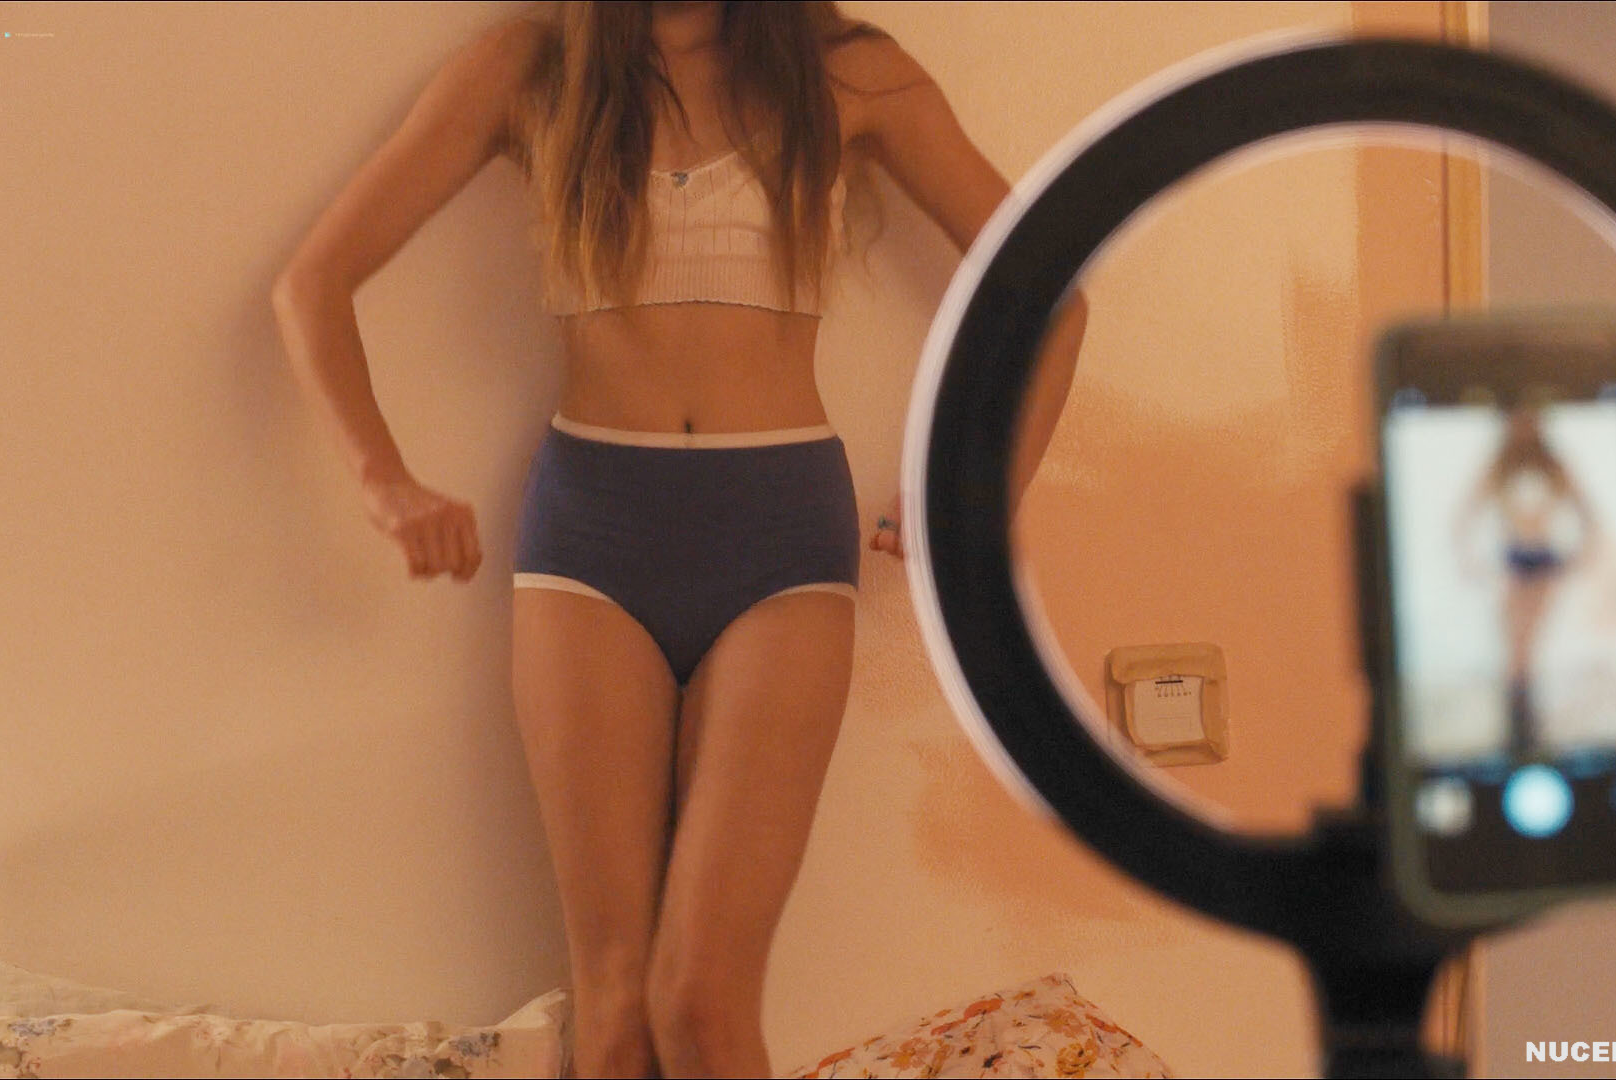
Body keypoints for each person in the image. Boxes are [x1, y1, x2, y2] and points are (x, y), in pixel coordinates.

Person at [270, 4, 1087, 1077]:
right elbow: (312, 282)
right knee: (615, 1017)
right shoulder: (530, 66)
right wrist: (385, 485)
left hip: (780, 541)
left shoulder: (849, 71)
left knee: (699, 1000)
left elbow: (1050, 294)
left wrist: (974, 497)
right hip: (591, 536)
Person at [1453, 402, 1597, 760]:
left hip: (1543, 562)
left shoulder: (1553, 466)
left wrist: (1582, 555)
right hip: (1514, 562)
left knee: (1527, 646)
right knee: (1515, 648)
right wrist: (1469, 560)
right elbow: (1465, 513)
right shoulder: (1500, 466)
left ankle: (1525, 729)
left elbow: (1588, 513)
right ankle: (1519, 727)